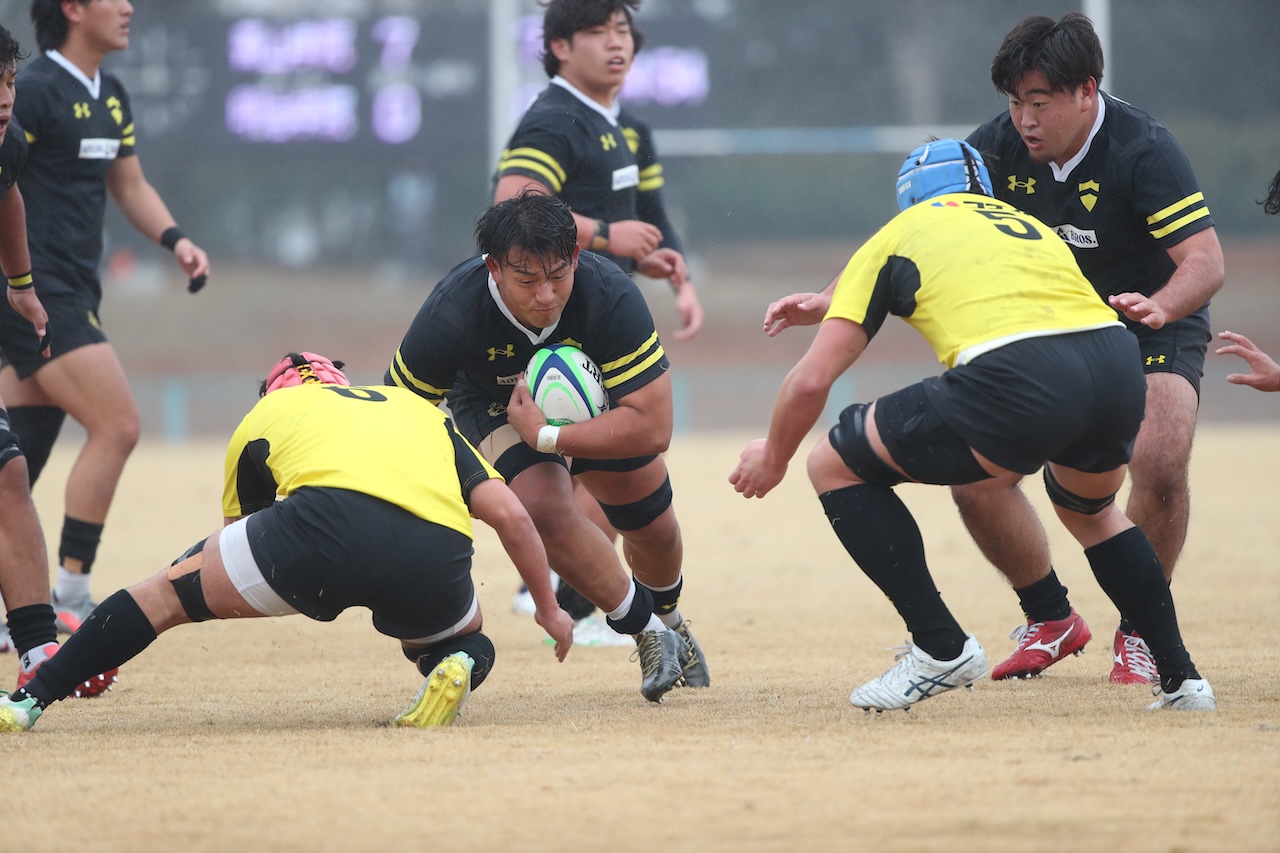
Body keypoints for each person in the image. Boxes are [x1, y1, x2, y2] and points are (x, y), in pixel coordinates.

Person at [766, 13, 1225, 687]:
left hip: (1152, 315)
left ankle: (1142, 636)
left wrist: (1160, 306)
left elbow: (1205, 261)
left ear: (1086, 92)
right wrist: (830, 295)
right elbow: (915, 226)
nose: (1023, 119)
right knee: (978, 478)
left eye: (1038, 103)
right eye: (1014, 103)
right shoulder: (1001, 143)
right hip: (1045, 327)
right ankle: (1050, 613)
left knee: (1157, 456)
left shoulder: (1143, 149)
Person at [0, 353, 575, 732]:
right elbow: (513, 518)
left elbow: (233, 540)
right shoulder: (416, 409)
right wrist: (549, 610)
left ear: (272, 390)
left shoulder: (263, 415)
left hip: (315, 532)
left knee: (166, 596)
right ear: (340, 381)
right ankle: (452, 665)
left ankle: (31, 698)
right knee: (462, 640)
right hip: (434, 545)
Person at [385, 190, 709, 703]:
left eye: (558, 276)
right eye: (527, 280)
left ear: (576, 256)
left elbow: (655, 428)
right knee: (543, 506)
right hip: (494, 402)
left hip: (594, 404)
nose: (546, 296)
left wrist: (551, 436)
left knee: (654, 530)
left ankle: (672, 620)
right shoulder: (452, 311)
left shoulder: (610, 295)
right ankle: (648, 633)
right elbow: (398, 414)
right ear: (493, 268)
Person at [494, 0, 704, 641]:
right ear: (559, 46)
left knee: (608, 463)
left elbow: (653, 217)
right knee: (605, 461)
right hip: (558, 326)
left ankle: (580, 594)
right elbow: (513, 202)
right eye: (597, 31)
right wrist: (608, 234)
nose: (617, 44)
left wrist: (679, 276)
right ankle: (584, 600)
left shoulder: (630, 128)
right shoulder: (556, 118)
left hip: (608, 320)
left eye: (623, 31)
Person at [0, 0, 211, 639]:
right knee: (118, 424)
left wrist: (175, 239)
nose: (128, 8)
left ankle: (20, 607)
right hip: (39, 294)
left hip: (70, 293)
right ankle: (70, 591)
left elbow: (129, 186)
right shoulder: (29, 91)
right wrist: (20, 283)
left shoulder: (109, 93)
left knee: (18, 463)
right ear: (71, 8)